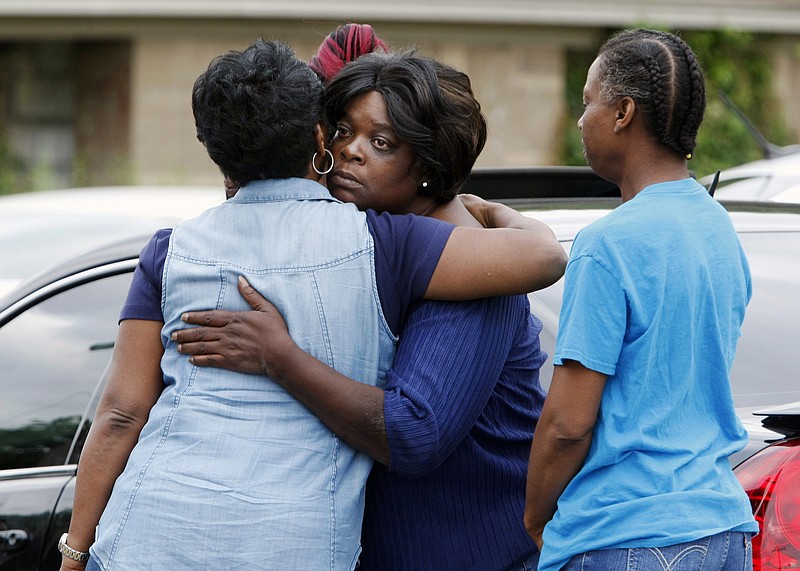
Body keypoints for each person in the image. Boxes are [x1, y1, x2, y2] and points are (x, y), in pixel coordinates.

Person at [59, 41, 564, 571]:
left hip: (457, 551)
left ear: (428, 164)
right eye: (343, 131)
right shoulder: (378, 244)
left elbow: (413, 433)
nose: (352, 151)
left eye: (382, 141)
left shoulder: (419, 255)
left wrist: (280, 356)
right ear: (319, 138)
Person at [523, 28, 758, 571]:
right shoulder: (718, 228)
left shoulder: (607, 245)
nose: (581, 121)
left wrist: (537, 517)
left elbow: (568, 424)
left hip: (628, 533)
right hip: (724, 527)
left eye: (588, 103)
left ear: (624, 112)